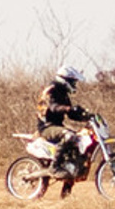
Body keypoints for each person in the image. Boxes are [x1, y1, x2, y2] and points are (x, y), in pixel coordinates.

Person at [36, 63, 95, 196]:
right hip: (47, 127)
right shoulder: (51, 90)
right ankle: (55, 167)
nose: (74, 85)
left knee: (77, 148)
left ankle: (66, 191)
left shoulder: (64, 94)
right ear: (65, 79)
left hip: (58, 127)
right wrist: (68, 108)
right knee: (68, 136)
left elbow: (71, 114)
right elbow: (53, 107)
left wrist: (86, 116)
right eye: (73, 82)